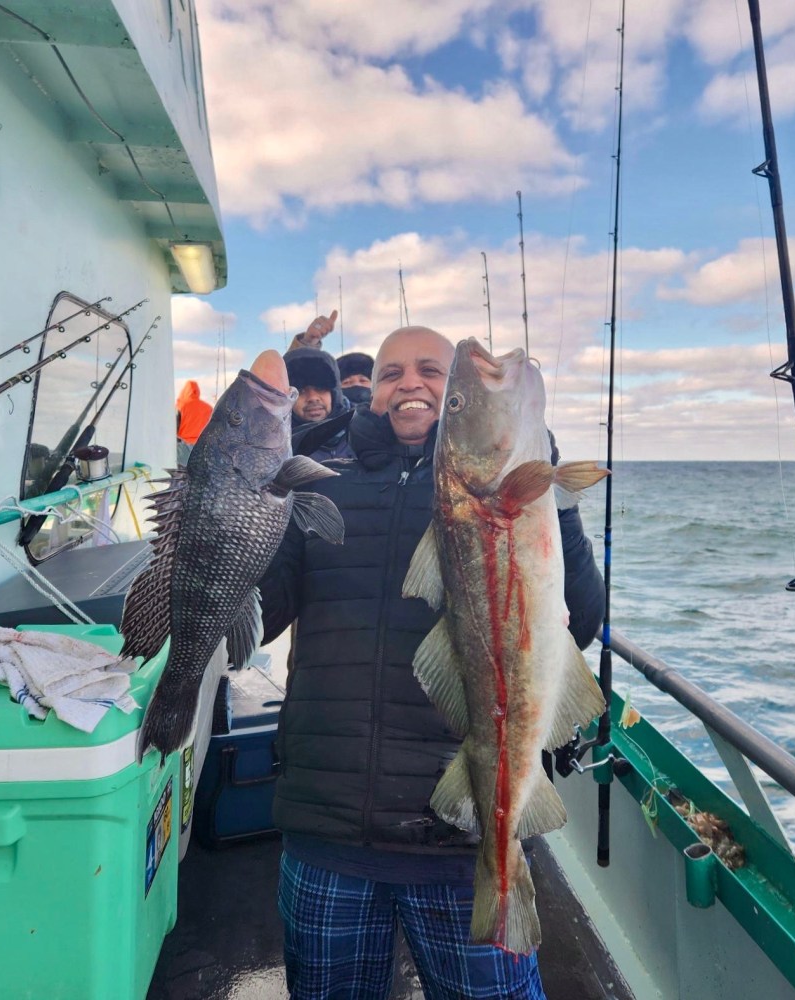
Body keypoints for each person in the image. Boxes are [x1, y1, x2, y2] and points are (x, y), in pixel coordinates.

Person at [258, 326, 605, 1000]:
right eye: (390, 372)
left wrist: (549, 495)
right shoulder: (318, 478)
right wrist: (247, 519)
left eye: (431, 373)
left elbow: (582, 623)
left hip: (457, 831)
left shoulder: (507, 490)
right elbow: (262, 616)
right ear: (369, 390)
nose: (409, 384)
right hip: (328, 829)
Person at [283, 346, 355, 461]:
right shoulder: (274, 445)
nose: (312, 398)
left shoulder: (365, 429)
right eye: (300, 391)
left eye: (320, 388)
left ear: (335, 393)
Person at [175, 379, 212, 465]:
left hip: (183, 448)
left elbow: (174, 429)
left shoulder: (180, 406)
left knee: (182, 474)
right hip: (202, 448)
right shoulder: (208, 408)